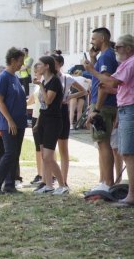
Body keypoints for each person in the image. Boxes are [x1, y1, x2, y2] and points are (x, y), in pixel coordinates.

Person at [84, 34, 134, 205]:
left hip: (124, 109)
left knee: (123, 151)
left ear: (128, 48)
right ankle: (109, 183)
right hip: (123, 109)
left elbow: (109, 82)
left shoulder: (126, 62)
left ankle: (113, 185)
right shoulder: (124, 63)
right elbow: (118, 87)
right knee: (121, 150)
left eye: (119, 47)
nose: (116, 49)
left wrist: (91, 69)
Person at [0, 47, 27, 196]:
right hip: (8, 124)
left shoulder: (15, 77)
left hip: (19, 123)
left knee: (15, 154)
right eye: (20, 61)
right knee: (10, 153)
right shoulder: (4, 77)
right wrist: (10, 120)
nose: (21, 65)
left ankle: (10, 185)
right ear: (12, 60)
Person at [86, 27, 118, 191]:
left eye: (93, 39)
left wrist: (96, 109)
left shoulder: (106, 56)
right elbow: (97, 77)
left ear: (102, 39)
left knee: (104, 144)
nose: (91, 42)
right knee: (101, 143)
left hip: (103, 105)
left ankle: (107, 183)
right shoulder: (103, 56)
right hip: (104, 104)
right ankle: (103, 181)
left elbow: (104, 83)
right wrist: (92, 60)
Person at [32, 56, 68, 195]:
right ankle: (48, 185)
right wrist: (37, 123)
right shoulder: (46, 82)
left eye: (39, 64)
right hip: (43, 120)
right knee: (43, 156)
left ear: (47, 66)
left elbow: (48, 101)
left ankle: (62, 185)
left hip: (53, 122)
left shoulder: (54, 82)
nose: (37, 67)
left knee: (48, 157)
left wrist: (40, 86)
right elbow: (42, 106)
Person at [51, 51, 87, 187]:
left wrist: (69, 97)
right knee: (49, 148)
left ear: (60, 64)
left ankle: (64, 180)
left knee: (63, 148)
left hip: (62, 111)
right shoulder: (47, 78)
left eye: (53, 63)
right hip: (50, 112)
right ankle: (50, 179)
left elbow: (84, 91)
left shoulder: (66, 78)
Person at [27, 63, 44, 185]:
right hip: (35, 116)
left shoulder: (45, 83)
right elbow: (30, 101)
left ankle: (47, 174)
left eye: (37, 71)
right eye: (34, 72)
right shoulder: (37, 86)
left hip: (43, 118)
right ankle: (40, 173)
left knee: (46, 148)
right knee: (38, 148)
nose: (35, 74)